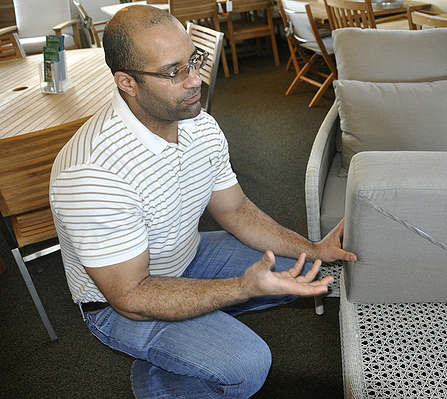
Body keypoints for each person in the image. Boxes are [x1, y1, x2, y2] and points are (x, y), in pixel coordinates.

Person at [49, 5, 356, 399]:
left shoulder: (198, 123)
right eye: (174, 71)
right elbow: (130, 298)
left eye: (193, 60)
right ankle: (159, 382)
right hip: (119, 302)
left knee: (300, 270)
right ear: (126, 82)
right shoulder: (92, 173)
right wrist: (242, 288)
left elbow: (235, 210)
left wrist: (312, 248)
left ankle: (186, 335)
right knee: (247, 366)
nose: (195, 79)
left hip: (185, 256)